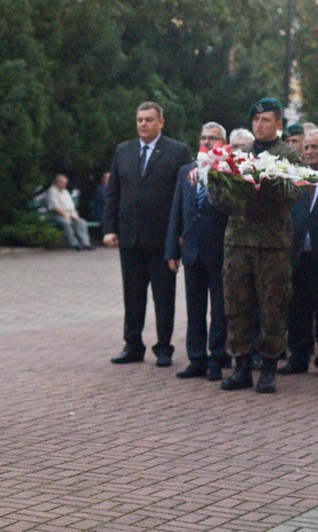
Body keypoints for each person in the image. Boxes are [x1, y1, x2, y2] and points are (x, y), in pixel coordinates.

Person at [212, 97, 300, 394]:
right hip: (237, 242)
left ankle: (269, 368)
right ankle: (241, 367)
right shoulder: (240, 154)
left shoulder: (288, 155)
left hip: (272, 245)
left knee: (272, 306)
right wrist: (216, 181)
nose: (259, 125)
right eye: (256, 120)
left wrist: (266, 181)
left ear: (278, 124)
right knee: (236, 305)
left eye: (265, 120)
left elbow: (291, 197)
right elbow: (224, 201)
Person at [104, 101, 192, 367]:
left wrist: (180, 235)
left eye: (149, 119)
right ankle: (133, 345)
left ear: (161, 122)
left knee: (163, 297)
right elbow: (113, 192)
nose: (143, 124)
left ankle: (163, 347)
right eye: (140, 119)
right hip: (129, 237)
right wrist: (109, 228)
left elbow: (184, 196)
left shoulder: (177, 151)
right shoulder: (123, 150)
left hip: (163, 239)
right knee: (132, 295)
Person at [165, 122, 231, 381]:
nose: (205, 142)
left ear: (222, 143)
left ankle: (216, 358)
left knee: (219, 309)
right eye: (203, 137)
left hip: (219, 251)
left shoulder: (228, 172)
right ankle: (196, 358)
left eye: (212, 138)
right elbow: (176, 212)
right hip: (191, 251)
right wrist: (172, 249)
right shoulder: (186, 171)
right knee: (194, 309)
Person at [280, 129, 318, 378]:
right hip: (298, 255)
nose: (310, 151)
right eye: (307, 148)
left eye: (315, 147)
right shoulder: (295, 179)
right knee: (297, 308)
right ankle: (298, 356)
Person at [47, 173, 92, 250]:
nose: (65, 184)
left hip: (69, 214)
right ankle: (74, 244)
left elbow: (71, 206)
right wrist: (65, 215)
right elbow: (55, 207)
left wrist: (76, 215)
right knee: (66, 223)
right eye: (63, 183)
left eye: (65, 183)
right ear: (57, 182)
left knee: (82, 222)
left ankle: (86, 244)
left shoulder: (65, 191)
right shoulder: (52, 191)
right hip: (56, 215)